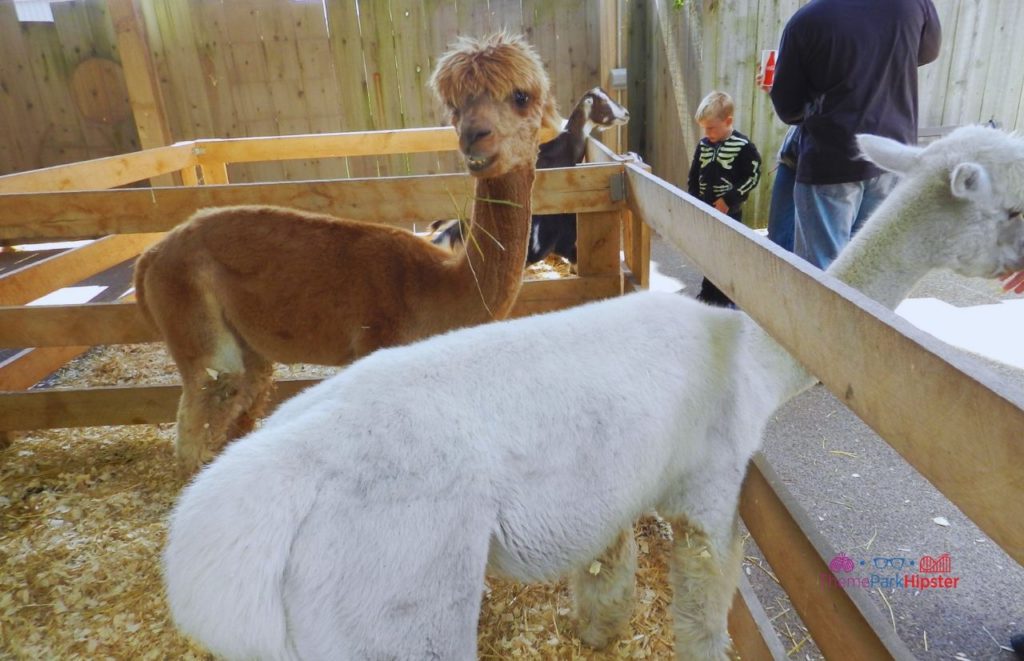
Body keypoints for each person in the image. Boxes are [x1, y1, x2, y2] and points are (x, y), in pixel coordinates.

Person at [770, 0, 941, 269]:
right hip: (893, 158)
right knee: (870, 267)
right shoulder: (915, 4)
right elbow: (928, 52)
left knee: (823, 273)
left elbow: (787, 108)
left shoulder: (807, 21)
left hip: (830, 163)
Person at [687, 90, 762, 307]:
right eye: (704, 128)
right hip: (705, 209)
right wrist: (693, 199)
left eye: (711, 127)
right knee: (709, 253)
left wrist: (729, 199)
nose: (707, 132)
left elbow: (753, 176)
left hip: (729, 213)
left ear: (728, 121)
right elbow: (694, 175)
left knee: (727, 254)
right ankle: (709, 293)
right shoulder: (703, 146)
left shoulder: (743, 146)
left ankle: (727, 297)